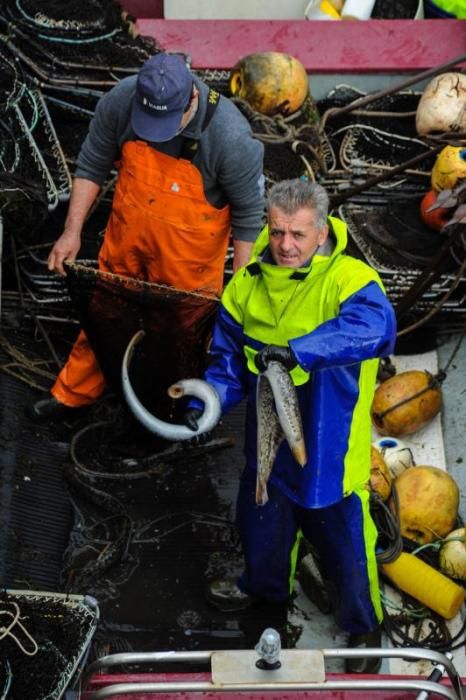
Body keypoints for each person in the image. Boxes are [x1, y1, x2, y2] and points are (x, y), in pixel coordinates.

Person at [184, 179, 396, 674]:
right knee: (261, 526)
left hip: (329, 450)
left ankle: (363, 625)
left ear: (321, 231)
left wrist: (298, 352)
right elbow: (230, 359)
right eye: (277, 232)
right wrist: (211, 399)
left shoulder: (350, 279)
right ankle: (264, 593)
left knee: (344, 545)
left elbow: (376, 328)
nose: (285, 246)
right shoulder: (247, 281)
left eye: (299, 235)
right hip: (268, 447)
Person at [32, 52, 264, 420]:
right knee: (105, 315)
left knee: (178, 341)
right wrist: (71, 231)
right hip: (126, 242)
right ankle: (73, 395)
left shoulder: (231, 138)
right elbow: (92, 162)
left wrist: (240, 281)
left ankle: (174, 413)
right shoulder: (121, 101)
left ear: (190, 99)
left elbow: (250, 215)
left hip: (187, 266)